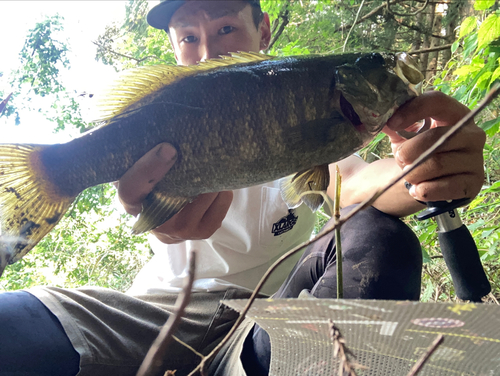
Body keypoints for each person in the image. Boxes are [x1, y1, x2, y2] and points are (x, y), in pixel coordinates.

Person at [0, 1, 486, 376]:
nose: (208, 51)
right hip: (151, 313)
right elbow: (154, 215)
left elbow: (356, 181)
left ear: (264, 31)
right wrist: (156, 218)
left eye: (226, 28)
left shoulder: (308, 107)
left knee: (381, 239)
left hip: (268, 324)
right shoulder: (162, 120)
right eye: (188, 36)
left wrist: (425, 169)